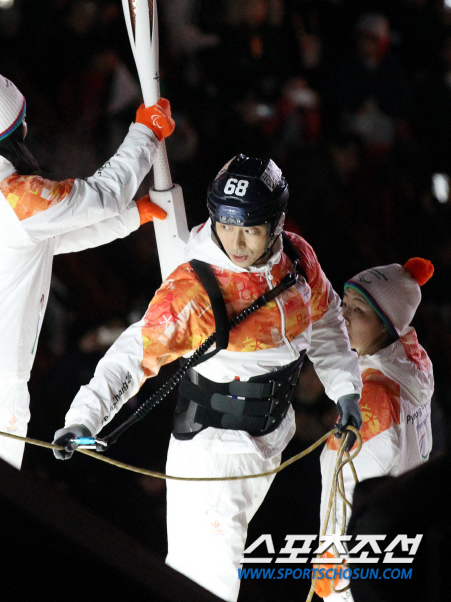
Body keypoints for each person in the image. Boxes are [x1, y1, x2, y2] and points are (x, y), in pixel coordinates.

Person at [53, 154, 363, 602]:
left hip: (271, 439)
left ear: (276, 225)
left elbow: (329, 320)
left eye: (251, 229)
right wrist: (84, 418)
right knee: (204, 579)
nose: (236, 241)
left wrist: (346, 390)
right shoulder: (194, 291)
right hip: (215, 452)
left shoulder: (296, 257)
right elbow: (133, 353)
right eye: (225, 224)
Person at [0, 47, 174, 470]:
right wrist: (144, 134)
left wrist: (131, 218)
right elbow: (104, 195)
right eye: (21, 127)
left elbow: (38, 243)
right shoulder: (15, 197)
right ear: (9, 133)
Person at [315, 258, 434, 601]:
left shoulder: (373, 398)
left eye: (360, 311)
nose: (343, 317)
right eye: (344, 304)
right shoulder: (412, 365)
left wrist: (331, 559)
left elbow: (347, 485)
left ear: (386, 326)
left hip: (355, 571)